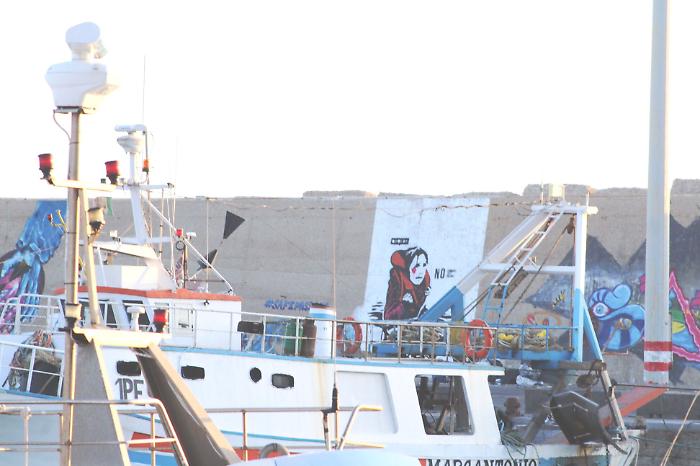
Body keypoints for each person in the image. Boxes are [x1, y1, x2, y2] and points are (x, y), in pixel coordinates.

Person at [384, 247, 430, 320]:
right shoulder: (398, 283)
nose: (421, 271)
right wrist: (403, 304)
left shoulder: (424, 284)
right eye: (417, 265)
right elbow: (388, 318)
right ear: (407, 268)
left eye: (424, 265)